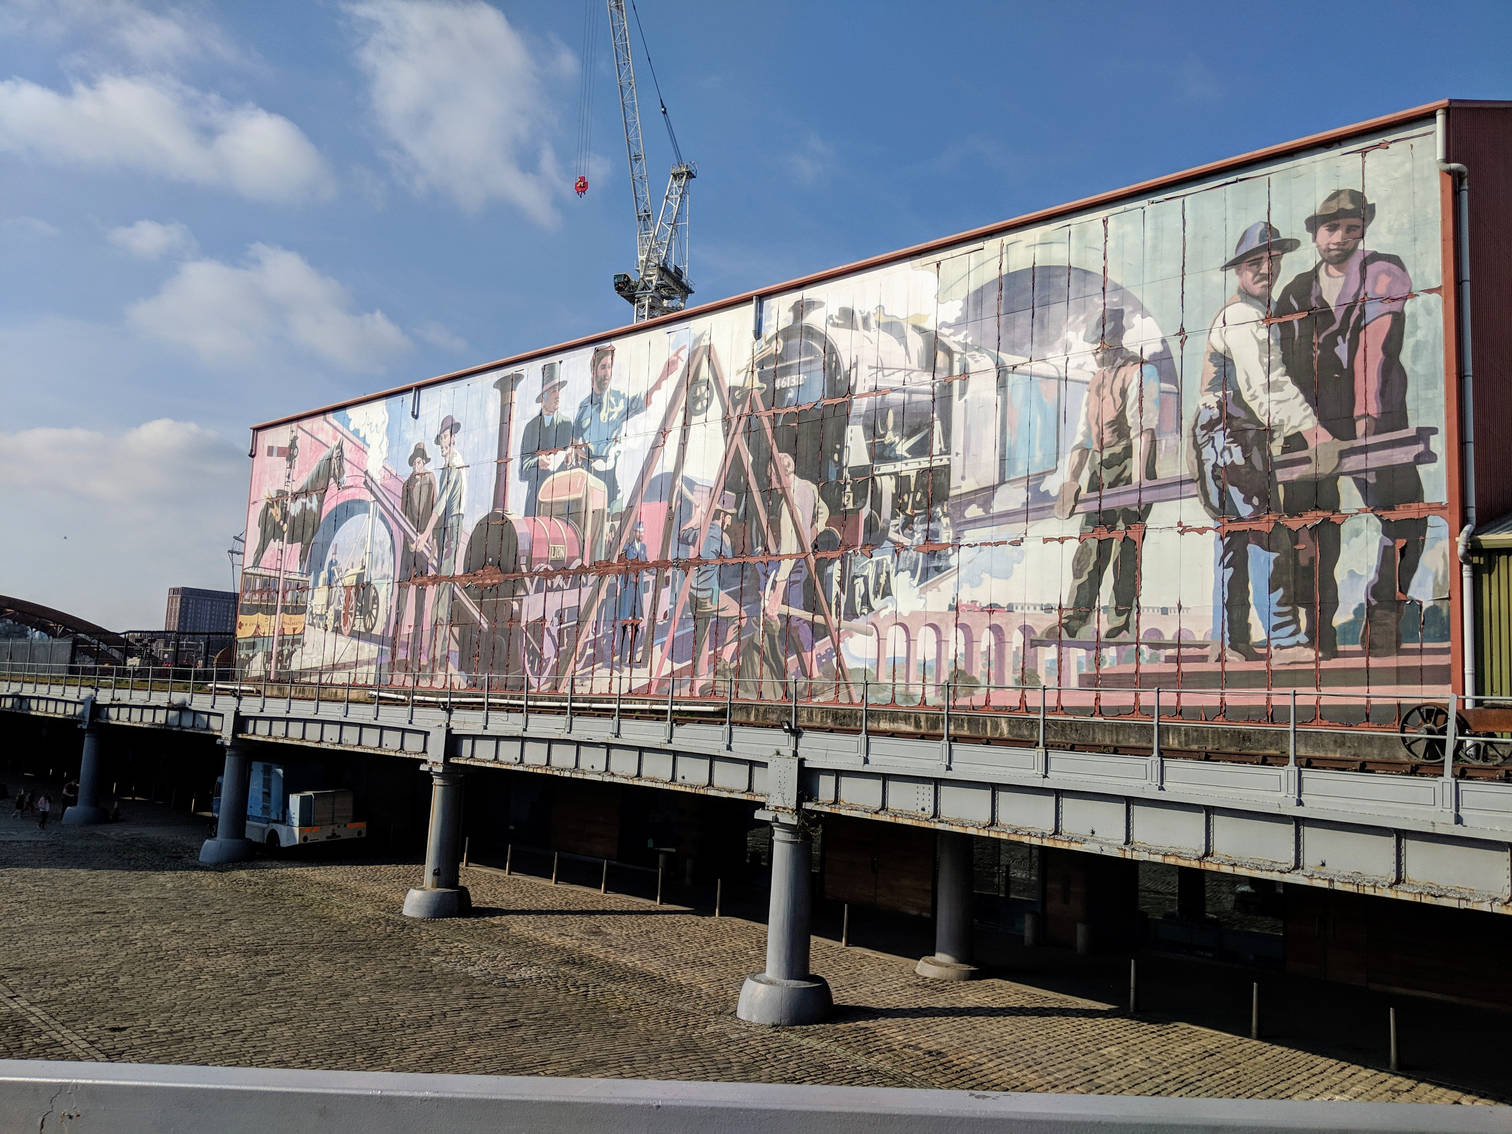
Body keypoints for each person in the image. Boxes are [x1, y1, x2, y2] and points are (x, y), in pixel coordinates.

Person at [1275, 189, 1424, 657]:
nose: (1340, 237)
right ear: (1314, 233)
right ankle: (1320, 633)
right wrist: (1299, 428)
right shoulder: (1295, 290)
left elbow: (1374, 348)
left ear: (1364, 229)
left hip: (1375, 417)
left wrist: (1366, 420)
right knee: (1308, 529)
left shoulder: (1383, 270)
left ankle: (1383, 616)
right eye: (1331, 228)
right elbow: (1278, 365)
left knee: (1404, 516)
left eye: (1351, 227)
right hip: (1306, 425)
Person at [1192, 221, 1338, 664]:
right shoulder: (1244, 315)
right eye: (1255, 262)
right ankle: (1284, 639)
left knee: (1233, 537)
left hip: (1215, 433)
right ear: (1239, 271)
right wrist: (1313, 430)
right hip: (1233, 431)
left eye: (1272, 261)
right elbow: (1264, 385)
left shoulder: (1250, 312)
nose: (1266, 269)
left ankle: (1229, 642)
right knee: (1265, 531)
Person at [1053, 309, 1161, 640]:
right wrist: (1071, 482)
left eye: (1101, 346)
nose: (1096, 353)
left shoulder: (1141, 373)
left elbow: (1144, 429)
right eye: (1093, 348)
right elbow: (1083, 436)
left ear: (1115, 341)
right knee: (1091, 542)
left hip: (1133, 459)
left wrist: (1140, 481)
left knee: (1128, 545)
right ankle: (1077, 617)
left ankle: (1121, 621)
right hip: (1101, 464)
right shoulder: (1096, 381)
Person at [570, 343, 685, 511]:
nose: (607, 373)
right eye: (603, 367)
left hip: (610, 478)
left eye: (609, 367)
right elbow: (573, 442)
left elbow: (643, 400)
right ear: (593, 370)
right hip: (586, 480)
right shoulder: (583, 407)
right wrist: (578, 452)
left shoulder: (618, 401)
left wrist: (664, 375)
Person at [761, 452, 829, 681]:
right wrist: (814, 531)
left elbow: (788, 554)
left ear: (782, 476)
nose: (770, 482)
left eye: (772, 477)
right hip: (798, 559)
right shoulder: (808, 487)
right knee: (790, 619)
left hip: (792, 565)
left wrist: (777, 593)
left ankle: (813, 675)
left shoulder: (787, 507)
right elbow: (824, 512)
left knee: (795, 621)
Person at [416, 416, 466, 676]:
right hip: (446, 527)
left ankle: (437, 659)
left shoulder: (455, 465)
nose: (442, 444)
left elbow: (443, 502)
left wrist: (424, 535)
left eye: (445, 438)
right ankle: (435, 657)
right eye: (440, 440)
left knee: (443, 595)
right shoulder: (449, 465)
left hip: (453, 524)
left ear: (453, 437)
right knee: (439, 594)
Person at [682, 494, 744, 695]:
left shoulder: (699, 531)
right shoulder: (722, 537)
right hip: (710, 593)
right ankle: (724, 661)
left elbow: (682, 534)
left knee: (702, 635)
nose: (730, 520)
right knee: (741, 615)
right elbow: (730, 560)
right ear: (724, 516)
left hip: (693, 594)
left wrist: (698, 517)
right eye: (730, 517)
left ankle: (700, 683)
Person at [398, 441, 437, 669]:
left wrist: (431, 544)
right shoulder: (406, 485)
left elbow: (435, 512)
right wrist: (409, 541)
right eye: (415, 462)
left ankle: (415, 658)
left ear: (424, 462)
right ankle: (397, 655)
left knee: (421, 605)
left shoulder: (431, 480)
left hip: (424, 550)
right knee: (402, 602)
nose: (417, 465)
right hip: (409, 548)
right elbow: (403, 515)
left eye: (421, 461)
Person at [520, 363, 573, 516]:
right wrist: (538, 462)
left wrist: (568, 460)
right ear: (543, 397)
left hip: (559, 502)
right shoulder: (531, 427)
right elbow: (522, 470)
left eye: (558, 390)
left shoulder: (566, 424)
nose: (558, 395)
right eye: (553, 391)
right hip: (535, 502)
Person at [616, 520, 649, 665]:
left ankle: (632, 657)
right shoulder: (627, 548)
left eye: (642, 532)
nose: (641, 534)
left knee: (636, 625)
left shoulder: (643, 548)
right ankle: (622, 659)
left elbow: (646, 563)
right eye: (639, 532)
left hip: (638, 592)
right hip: (628, 590)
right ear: (634, 533)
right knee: (625, 624)